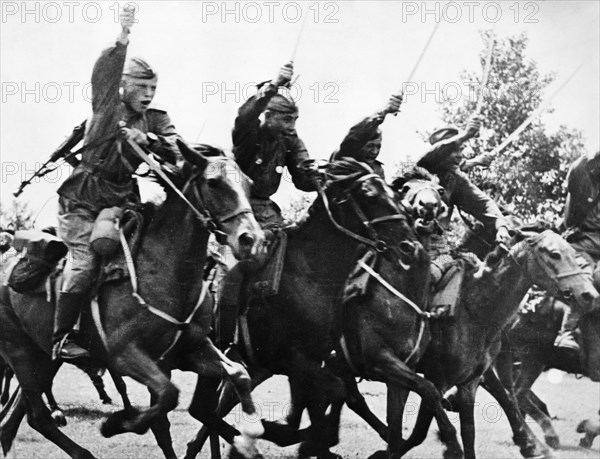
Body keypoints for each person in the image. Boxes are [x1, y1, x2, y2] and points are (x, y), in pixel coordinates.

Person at [53, 6, 183, 362]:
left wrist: (149, 142)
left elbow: (174, 145)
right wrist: (122, 38)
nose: (149, 94)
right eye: (142, 87)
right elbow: (105, 75)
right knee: (84, 263)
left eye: (153, 87)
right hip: (82, 203)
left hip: (122, 203)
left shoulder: (156, 119)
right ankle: (62, 337)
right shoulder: (106, 107)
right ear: (124, 86)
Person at [416, 116, 511, 311]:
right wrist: (466, 135)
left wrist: (501, 226)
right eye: (453, 150)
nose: (459, 155)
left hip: (437, 248)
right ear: (441, 151)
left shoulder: (457, 179)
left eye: (461, 150)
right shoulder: (422, 169)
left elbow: (484, 204)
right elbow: (433, 155)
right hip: (410, 239)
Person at [232, 62, 316, 229]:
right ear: (268, 117)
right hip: (235, 210)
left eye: (294, 120)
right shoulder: (247, 133)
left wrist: (323, 175)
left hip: (266, 213)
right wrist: (274, 85)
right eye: (286, 119)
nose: (292, 127)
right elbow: (245, 115)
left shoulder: (290, 140)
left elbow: (303, 178)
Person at [553, 150, 600, 352]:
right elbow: (569, 219)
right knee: (586, 278)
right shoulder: (583, 173)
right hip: (583, 243)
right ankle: (567, 331)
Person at [330, 93, 404, 179]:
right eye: (370, 146)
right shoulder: (343, 157)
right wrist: (383, 112)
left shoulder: (377, 170)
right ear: (359, 144)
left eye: (378, 147)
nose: (375, 152)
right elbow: (353, 138)